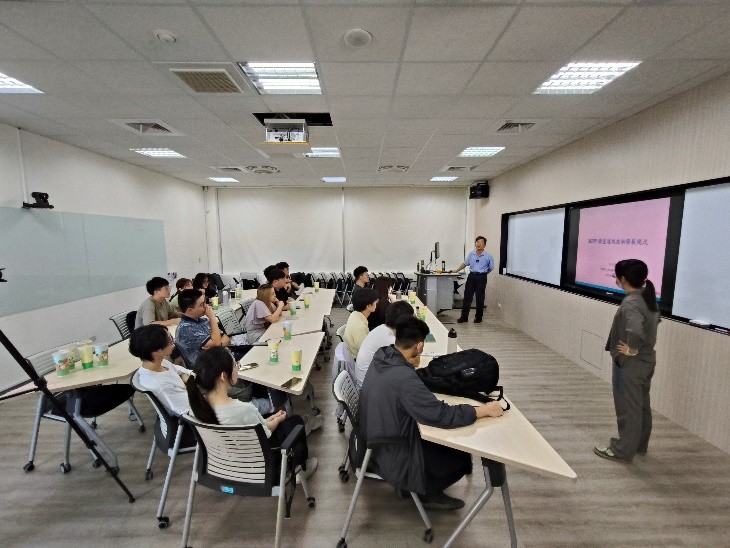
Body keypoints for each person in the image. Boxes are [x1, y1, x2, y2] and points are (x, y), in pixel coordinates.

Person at [359, 316, 504, 510]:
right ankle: (425, 493)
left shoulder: (383, 355)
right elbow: (441, 415)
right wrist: (483, 410)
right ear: (419, 346)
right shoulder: (403, 377)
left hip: (376, 439)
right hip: (393, 451)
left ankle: (422, 488)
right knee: (460, 457)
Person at [185, 347, 317, 483]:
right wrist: (277, 420)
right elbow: (265, 432)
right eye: (235, 365)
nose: (237, 368)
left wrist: (272, 418)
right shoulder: (242, 409)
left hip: (223, 467)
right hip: (258, 468)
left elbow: (255, 426)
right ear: (223, 376)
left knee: (280, 419)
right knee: (296, 422)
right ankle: (300, 469)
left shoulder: (195, 408)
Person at [595, 259, 661, 463]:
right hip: (646, 361)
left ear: (622, 279)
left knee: (628, 408)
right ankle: (638, 444)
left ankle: (623, 450)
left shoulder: (632, 302)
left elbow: (636, 331)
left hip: (631, 364)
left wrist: (631, 349)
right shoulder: (647, 297)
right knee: (641, 406)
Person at [130, 324, 193, 418]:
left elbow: (180, 370)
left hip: (192, 396)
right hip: (193, 413)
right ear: (156, 351)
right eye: (169, 341)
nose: (173, 343)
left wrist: (188, 381)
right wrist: (192, 385)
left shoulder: (158, 362)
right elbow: (188, 409)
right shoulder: (160, 384)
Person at [355, 300, 414, 388]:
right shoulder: (389, 339)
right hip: (370, 388)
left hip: (367, 380)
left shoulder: (382, 328)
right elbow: (410, 362)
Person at [174, 289, 230, 366]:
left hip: (222, 359)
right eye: (201, 304)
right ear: (190, 310)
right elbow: (217, 343)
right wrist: (212, 318)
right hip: (209, 367)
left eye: (205, 302)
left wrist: (217, 346)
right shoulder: (186, 329)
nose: (206, 306)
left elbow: (226, 338)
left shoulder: (203, 320)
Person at [450, 236, 494, 323]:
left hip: (481, 277)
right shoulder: (471, 254)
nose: (478, 244)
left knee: (480, 298)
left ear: (484, 245)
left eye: (481, 242)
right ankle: (464, 317)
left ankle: (478, 318)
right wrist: (456, 270)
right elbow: (465, 263)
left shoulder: (488, 256)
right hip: (471, 276)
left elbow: (491, 268)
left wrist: (483, 274)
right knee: (467, 297)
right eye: (477, 242)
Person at [343, 287, 378, 357]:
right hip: (358, 357)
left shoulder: (355, 314)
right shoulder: (360, 327)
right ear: (368, 306)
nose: (377, 303)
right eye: (375, 301)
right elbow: (366, 351)